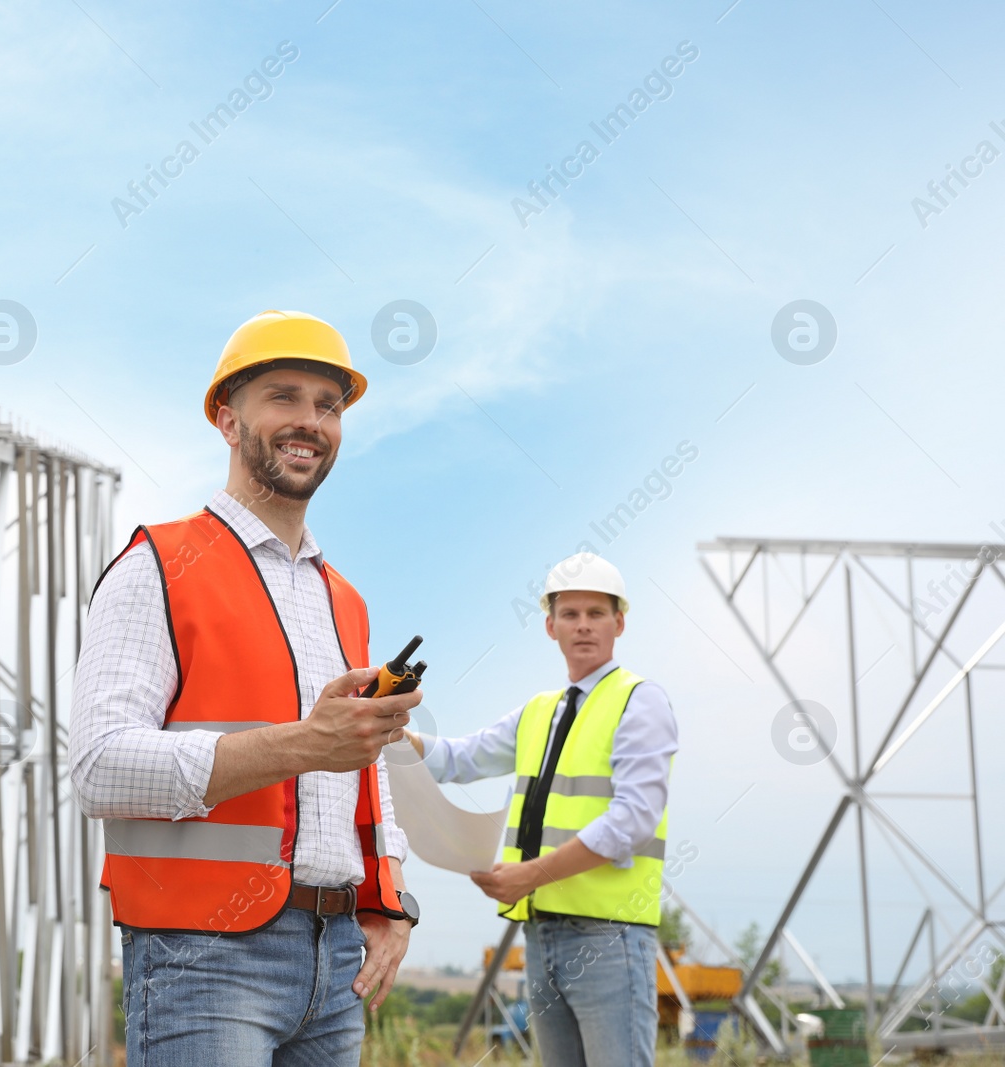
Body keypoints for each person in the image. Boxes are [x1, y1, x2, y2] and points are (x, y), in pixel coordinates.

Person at [71, 310, 423, 1066]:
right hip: (201, 957)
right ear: (227, 418)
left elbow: (365, 773)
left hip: (335, 964)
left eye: (328, 405)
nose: (310, 421)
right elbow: (99, 766)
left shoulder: (344, 599)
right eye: (283, 397)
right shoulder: (157, 566)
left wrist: (391, 905)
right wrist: (302, 742)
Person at [408, 553, 676, 1067]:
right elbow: (457, 760)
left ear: (619, 622)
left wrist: (532, 874)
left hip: (609, 937)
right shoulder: (539, 712)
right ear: (550, 625)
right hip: (541, 932)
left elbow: (633, 821)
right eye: (570, 614)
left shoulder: (640, 702)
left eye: (596, 613)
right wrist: (396, 735)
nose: (583, 626)